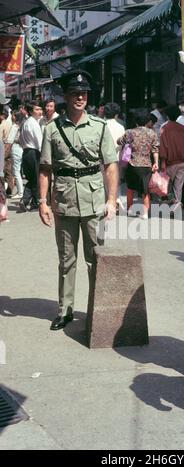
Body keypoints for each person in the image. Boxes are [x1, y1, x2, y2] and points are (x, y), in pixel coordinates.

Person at [38, 70, 118, 331]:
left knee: (96, 258)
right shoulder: (52, 128)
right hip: (64, 201)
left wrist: (112, 200)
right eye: (75, 92)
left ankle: (97, 310)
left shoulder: (100, 126)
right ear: (66, 95)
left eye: (83, 93)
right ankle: (65, 310)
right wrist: (42, 202)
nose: (80, 97)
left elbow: (110, 166)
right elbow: (45, 169)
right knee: (66, 260)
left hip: (94, 200)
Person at [117, 110, 159, 220]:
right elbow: (155, 150)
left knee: (130, 187)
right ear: (147, 121)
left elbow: (119, 141)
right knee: (145, 190)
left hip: (132, 164)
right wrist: (156, 163)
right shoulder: (152, 133)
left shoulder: (130, 132)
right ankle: (144, 213)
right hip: (146, 165)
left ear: (136, 121)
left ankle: (130, 209)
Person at [160, 105, 184, 211]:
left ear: (167, 116)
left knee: (166, 186)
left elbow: (163, 146)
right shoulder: (183, 129)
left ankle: (167, 207)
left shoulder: (164, 128)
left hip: (169, 163)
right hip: (182, 163)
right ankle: (176, 208)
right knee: (178, 187)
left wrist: (162, 162)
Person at [19, 100, 43, 211]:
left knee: (32, 178)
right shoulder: (33, 123)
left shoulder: (25, 122)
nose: (40, 112)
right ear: (30, 111)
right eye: (37, 109)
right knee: (36, 179)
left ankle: (25, 200)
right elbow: (40, 142)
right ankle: (34, 203)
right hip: (33, 152)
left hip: (26, 152)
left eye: (40, 109)